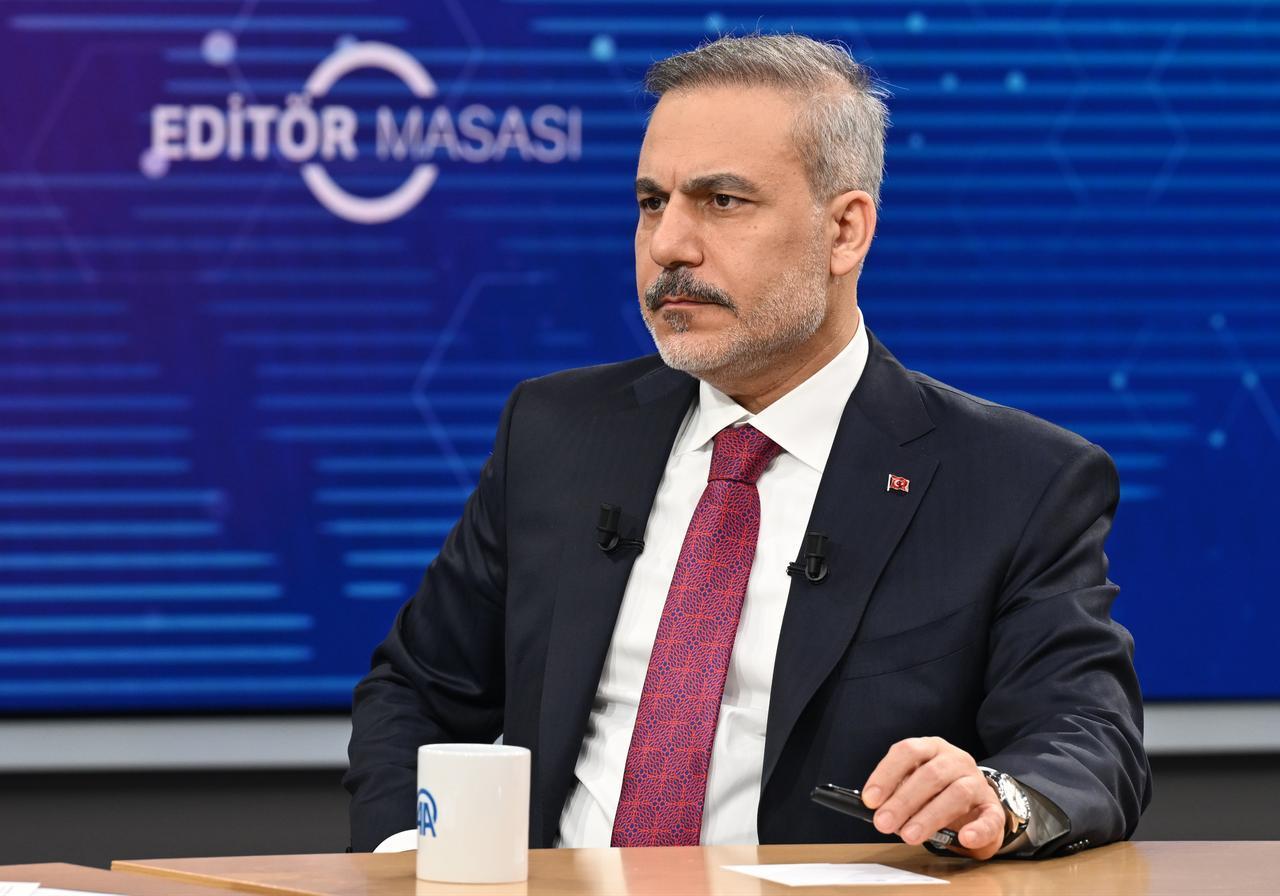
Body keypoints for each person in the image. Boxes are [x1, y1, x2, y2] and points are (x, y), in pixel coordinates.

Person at [344, 33, 1150, 860]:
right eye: (653, 202)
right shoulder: (555, 433)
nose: (669, 247)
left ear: (845, 232)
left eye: (721, 201)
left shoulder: (1017, 482)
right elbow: (418, 692)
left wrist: (999, 799)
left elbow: (1089, 739)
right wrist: (415, 857)